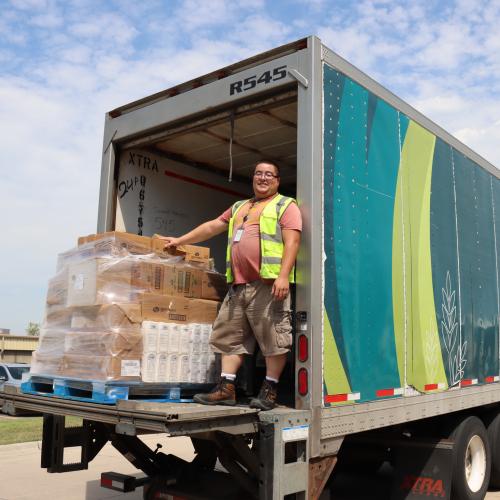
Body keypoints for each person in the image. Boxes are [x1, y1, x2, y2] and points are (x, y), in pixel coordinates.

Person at [159, 160, 302, 410]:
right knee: (229, 338)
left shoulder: (285, 205)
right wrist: (180, 240)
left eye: (269, 175)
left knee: (274, 338)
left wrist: (283, 276)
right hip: (238, 285)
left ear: (277, 180)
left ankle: (269, 390)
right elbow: (213, 226)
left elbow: (292, 243)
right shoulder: (240, 207)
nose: (263, 178)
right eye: (258, 173)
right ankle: (226, 388)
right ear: (253, 178)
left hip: (267, 284)